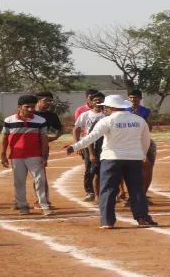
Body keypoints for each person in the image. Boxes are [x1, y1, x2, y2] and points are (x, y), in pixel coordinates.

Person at [65, 94, 158, 229]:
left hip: (111, 159)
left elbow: (92, 137)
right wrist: (142, 155)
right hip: (134, 158)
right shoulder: (139, 120)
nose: (104, 110)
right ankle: (142, 218)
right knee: (137, 190)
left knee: (108, 190)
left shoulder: (107, 121)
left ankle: (107, 221)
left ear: (111, 107)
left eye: (105, 107)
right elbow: (146, 141)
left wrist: (74, 147)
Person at [1, 95, 54, 216]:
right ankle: (23, 205)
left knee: (40, 180)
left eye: (32, 106)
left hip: (35, 155)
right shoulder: (9, 121)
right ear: (19, 107)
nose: (30, 109)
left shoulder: (40, 121)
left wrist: (44, 156)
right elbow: (4, 138)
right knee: (19, 181)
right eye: (27, 107)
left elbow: (44, 140)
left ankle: (44, 205)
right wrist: (3, 155)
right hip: (16, 156)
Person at [31, 91, 63, 211]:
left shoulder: (51, 116)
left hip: (42, 148)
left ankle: (42, 200)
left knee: (40, 175)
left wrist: (54, 138)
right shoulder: (30, 113)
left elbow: (60, 128)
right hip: (26, 148)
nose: (49, 103)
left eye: (50, 101)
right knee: (21, 175)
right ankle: (19, 200)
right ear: (38, 100)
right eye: (46, 100)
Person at [125, 89, 157, 205]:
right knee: (128, 170)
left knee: (147, 168)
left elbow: (149, 128)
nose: (133, 100)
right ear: (128, 98)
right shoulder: (124, 110)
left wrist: (140, 118)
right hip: (128, 142)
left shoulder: (146, 111)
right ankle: (131, 195)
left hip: (143, 141)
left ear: (140, 99)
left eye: (136, 98)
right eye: (131, 97)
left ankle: (143, 194)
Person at [73, 92, 106, 202]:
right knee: (89, 170)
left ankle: (104, 192)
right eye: (95, 100)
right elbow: (76, 129)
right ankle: (90, 192)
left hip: (105, 145)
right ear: (91, 102)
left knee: (103, 170)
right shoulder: (85, 115)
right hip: (89, 145)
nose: (98, 102)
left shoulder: (106, 115)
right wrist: (78, 145)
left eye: (100, 100)